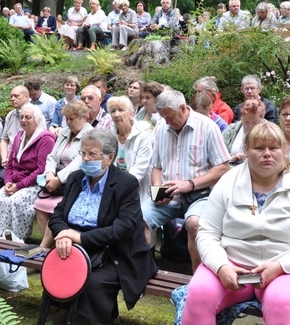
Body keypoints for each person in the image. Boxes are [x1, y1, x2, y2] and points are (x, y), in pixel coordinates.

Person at [181, 123, 290, 325]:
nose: (267, 154)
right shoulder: (227, 183)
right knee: (199, 293)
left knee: (281, 301)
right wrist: (221, 267)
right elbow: (208, 233)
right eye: (259, 148)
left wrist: (280, 266)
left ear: (284, 149)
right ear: (246, 151)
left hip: (287, 268)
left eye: (274, 148)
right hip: (232, 263)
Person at [48, 129, 158, 324]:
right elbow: (57, 215)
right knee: (55, 275)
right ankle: (58, 318)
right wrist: (64, 234)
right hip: (74, 249)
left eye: (92, 154)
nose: (86, 159)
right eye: (83, 153)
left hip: (114, 253)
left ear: (110, 157)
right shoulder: (75, 178)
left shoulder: (125, 183)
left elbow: (125, 227)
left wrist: (79, 237)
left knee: (92, 283)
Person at [142, 90, 231, 272]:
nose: (167, 122)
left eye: (170, 117)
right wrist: (157, 190)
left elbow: (223, 167)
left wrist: (190, 184)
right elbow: (156, 166)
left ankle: (197, 279)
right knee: (138, 218)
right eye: (164, 118)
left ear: (183, 108)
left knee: (194, 224)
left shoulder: (207, 127)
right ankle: (143, 272)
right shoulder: (161, 127)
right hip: (169, 196)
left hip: (201, 195)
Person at [0, 104, 55, 239]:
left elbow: (41, 170)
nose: (23, 120)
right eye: (22, 117)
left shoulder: (46, 139)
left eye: (28, 117)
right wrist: (8, 182)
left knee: (15, 202)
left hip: (34, 183)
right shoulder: (19, 136)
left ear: (37, 120)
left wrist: (18, 186)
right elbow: (10, 163)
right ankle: (1, 236)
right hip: (16, 181)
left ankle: (17, 239)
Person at [34, 101, 93, 249]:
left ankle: (44, 248)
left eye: (72, 119)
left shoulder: (90, 135)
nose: (68, 122)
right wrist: (49, 174)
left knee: (56, 209)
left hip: (76, 182)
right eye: (66, 118)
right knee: (39, 205)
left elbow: (79, 162)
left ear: (84, 118)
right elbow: (52, 156)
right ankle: (52, 247)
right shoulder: (65, 133)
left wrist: (59, 179)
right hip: (56, 180)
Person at [108, 96, 153, 206]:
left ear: (131, 113)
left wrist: (118, 187)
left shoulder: (144, 136)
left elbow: (139, 169)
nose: (116, 114)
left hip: (138, 191)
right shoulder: (109, 136)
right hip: (113, 189)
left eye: (121, 110)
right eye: (113, 111)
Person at [222, 99, 266, 165]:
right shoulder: (231, 129)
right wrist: (232, 157)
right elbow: (219, 153)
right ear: (241, 118)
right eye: (246, 122)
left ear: (262, 119)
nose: (250, 126)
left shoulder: (269, 132)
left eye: (254, 122)